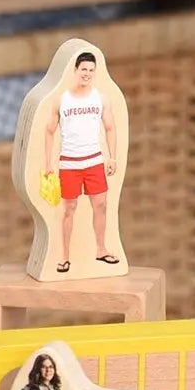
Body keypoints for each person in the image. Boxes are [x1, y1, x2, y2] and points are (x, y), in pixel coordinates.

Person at [41, 49, 119, 273]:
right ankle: (64, 256)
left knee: (101, 205)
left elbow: (110, 127)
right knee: (68, 209)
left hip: (94, 161)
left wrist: (112, 157)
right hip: (70, 164)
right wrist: (48, 163)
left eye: (91, 70)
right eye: (83, 69)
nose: (87, 74)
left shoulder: (101, 99)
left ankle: (101, 249)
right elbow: (49, 131)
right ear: (75, 70)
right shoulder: (61, 100)